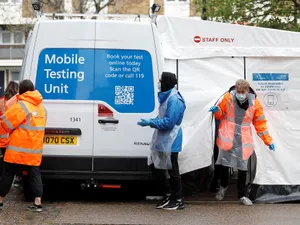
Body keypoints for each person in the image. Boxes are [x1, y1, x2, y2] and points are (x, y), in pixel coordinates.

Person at [209, 79, 274, 206]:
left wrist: (268, 140)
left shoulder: (254, 103)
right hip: (228, 135)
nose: (239, 93)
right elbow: (221, 115)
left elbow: (260, 123)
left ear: (247, 91)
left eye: (242, 91)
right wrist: (217, 111)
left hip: (243, 138)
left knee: (242, 167)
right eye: (238, 91)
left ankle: (242, 195)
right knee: (224, 164)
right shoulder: (228, 98)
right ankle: (223, 187)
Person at [137, 72, 186, 210]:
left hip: (171, 139)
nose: (158, 83)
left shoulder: (174, 100)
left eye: (160, 80)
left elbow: (169, 122)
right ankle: (168, 195)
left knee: (172, 170)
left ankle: (177, 199)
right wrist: (152, 120)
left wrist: (151, 123)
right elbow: (162, 116)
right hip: (163, 138)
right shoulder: (167, 98)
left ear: (166, 82)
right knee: (157, 167)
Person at [0, 80, 47, 212]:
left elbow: (6, 124)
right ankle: (37, 203)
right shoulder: (41, 107)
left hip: (18, 149)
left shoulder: (22, 105)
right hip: (34, 148)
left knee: (8, 174)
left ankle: (0, 200)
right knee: (34, 174)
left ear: (20, 91)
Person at [0, 81, 19, 176]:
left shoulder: (1, 101)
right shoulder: (18, 103)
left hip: (2, 138)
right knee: (11, 164)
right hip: (12, 139)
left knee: (4, 161)